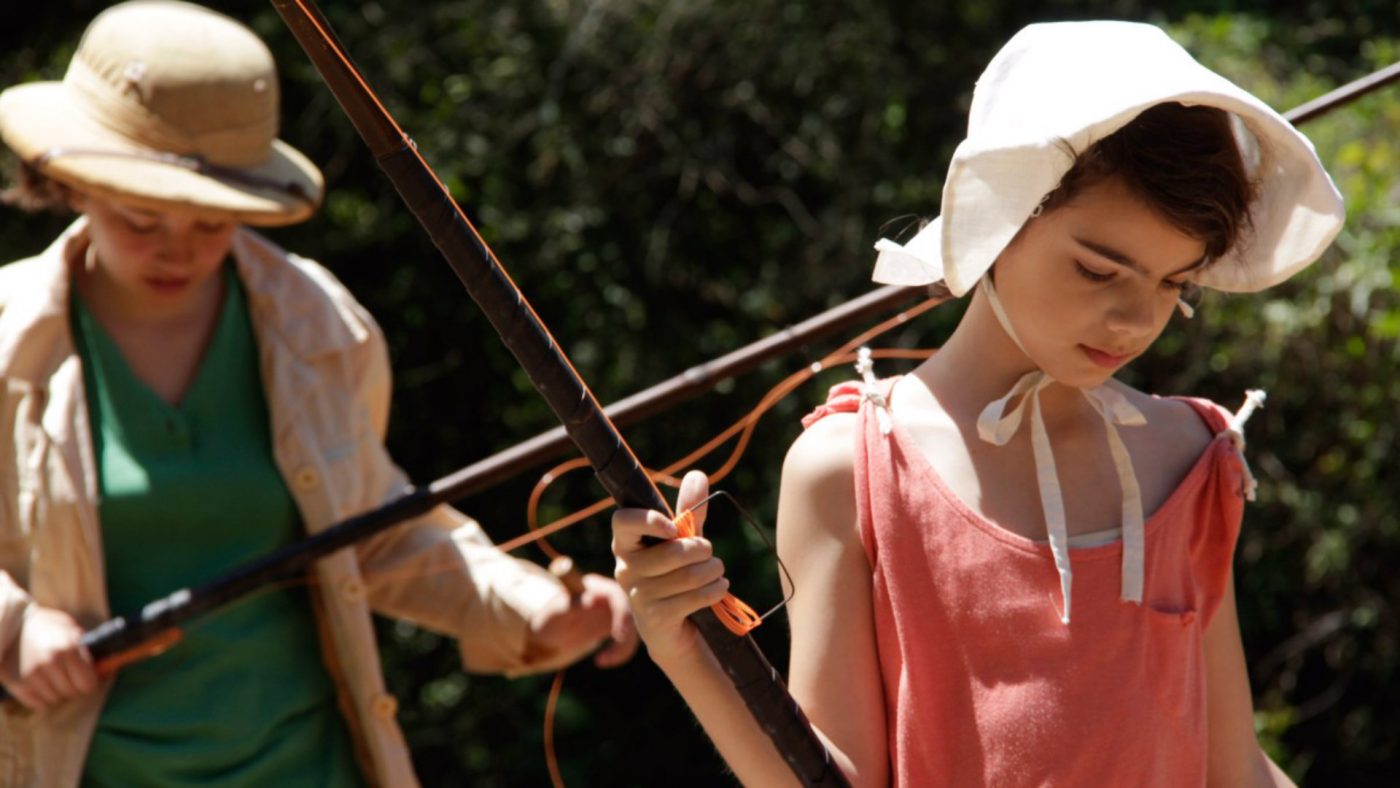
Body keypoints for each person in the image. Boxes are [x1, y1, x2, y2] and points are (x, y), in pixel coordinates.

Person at [612, 20, 1345, 787]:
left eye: (1174, 283)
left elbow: (1234, 766)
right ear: (999, 217)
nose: (1137, 320)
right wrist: (689, 650)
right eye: (1099, 270)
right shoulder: (852, 468)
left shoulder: (1191, 457)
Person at [0, 2, 636, 786]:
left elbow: (373, 529)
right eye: (143, 218)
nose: (178, 249)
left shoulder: (315, 322)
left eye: (211, 223)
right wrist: (13, 629)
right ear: (71, 182)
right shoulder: (7, 332)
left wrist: (531, 607)